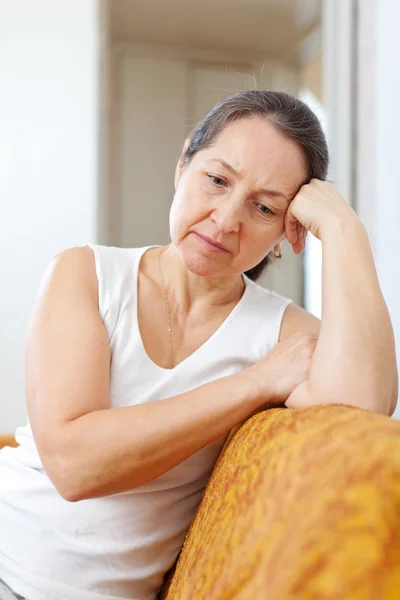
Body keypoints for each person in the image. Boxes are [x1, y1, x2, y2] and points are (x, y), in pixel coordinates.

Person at [0, 90, 397, 600]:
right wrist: (254, 384)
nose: (226, 219)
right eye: (216, 180)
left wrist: (345, 230)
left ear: (286, 230)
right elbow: (75, 466)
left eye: (263, 207)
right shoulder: (86, 273)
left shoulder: (279, 330)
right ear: (183, 163)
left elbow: (364, 406)